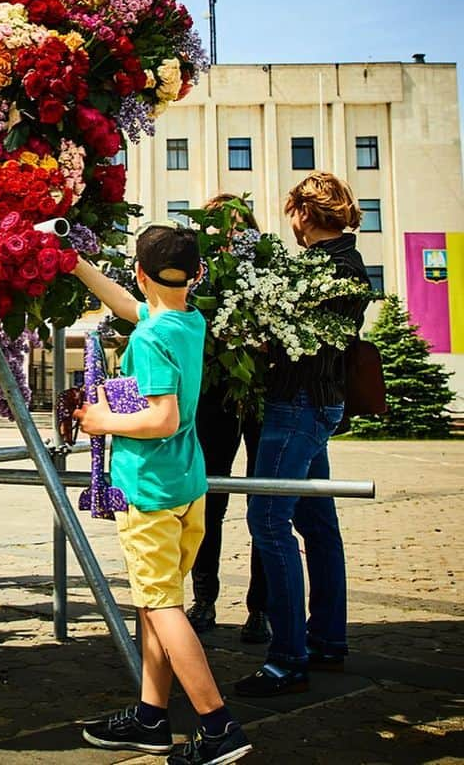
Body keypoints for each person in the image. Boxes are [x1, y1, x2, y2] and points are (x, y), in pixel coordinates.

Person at [71, 223, 253, 764]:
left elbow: (162, 417)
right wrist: (75, 264)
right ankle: (151, 717)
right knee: (155, 604)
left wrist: (100, 420)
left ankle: (219, 727)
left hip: (148, 490)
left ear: (141, 271)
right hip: (187, 486)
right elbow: (132, 306)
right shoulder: (186, 320)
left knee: (162, 606)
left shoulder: (150, 339)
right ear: (197, 275)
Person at [236, 172, 370, 698]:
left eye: (292, 211)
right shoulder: (340, 265)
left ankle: (287, 658)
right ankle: (327, 640)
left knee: (268, 519)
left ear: (304, 214)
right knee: (317, 521)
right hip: (313, 405)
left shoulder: (332, 269)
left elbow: (300, 338)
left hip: (298, 406)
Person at [187, 195, 268, 643]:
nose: (228, 234)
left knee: (264, 501)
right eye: (219, 226)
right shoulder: (198, 277)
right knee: (209, 500)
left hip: (259, 396)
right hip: (212, 398)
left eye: (237, 225)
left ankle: (261, 609)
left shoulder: (267, 270)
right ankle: (205, 600)